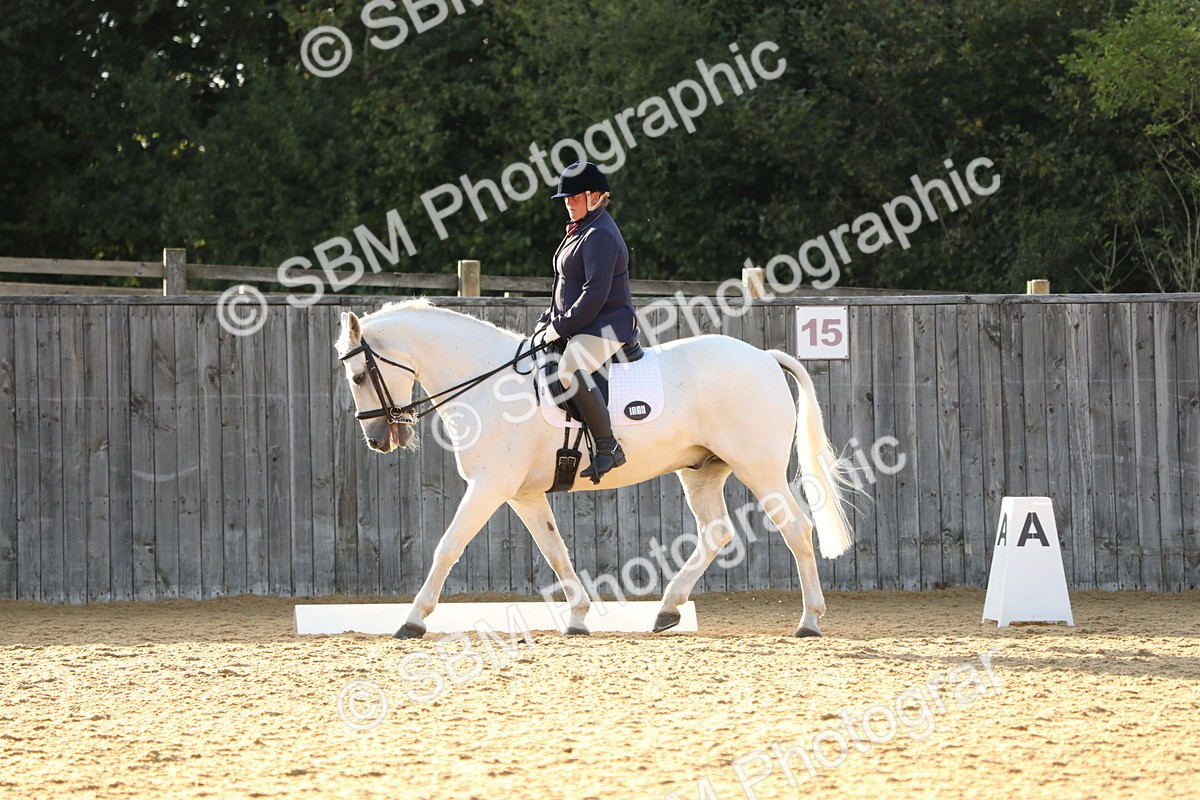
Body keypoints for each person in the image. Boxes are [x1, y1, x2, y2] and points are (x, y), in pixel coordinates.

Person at [534, 161, 635, 481]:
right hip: (585, 322)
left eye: (574, 197)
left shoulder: (601, 234)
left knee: (570, 369)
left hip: (608, 324)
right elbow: (566, 286)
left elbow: (593, 295)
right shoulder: (582, 229)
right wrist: (547, 321)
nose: (568, 202)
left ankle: (608, 448)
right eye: (565, 198)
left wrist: (559, 328)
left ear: (596, 197)